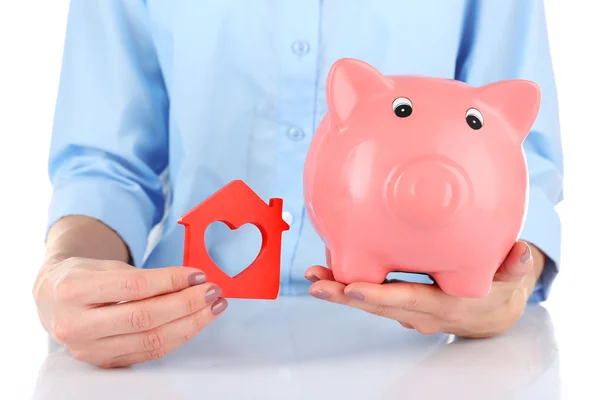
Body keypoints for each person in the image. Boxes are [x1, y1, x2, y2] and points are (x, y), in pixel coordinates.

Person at [32, 0, 563, 369]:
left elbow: (516, 147)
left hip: (429, 350)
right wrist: (67, 271)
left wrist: (509, 281)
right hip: (182, 337)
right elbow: (106, 164)